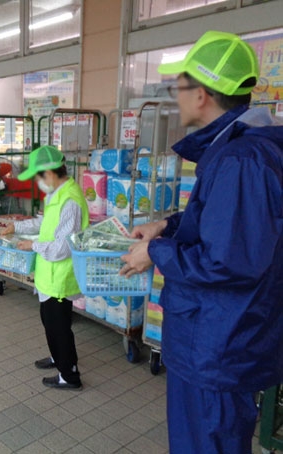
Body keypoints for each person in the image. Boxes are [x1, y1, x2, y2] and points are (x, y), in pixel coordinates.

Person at [120, 31, 283, 454]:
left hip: (218, 348)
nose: (176, 96)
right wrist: (168, 227)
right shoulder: (236, 152)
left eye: (181, 85)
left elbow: (227, 262)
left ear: (202, 94)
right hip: (219, 340)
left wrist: (153, 252)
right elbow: (227, 228)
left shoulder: (240, 161)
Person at [2, 145, 89, 389]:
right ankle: (57, 357)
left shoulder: (70, 200)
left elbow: (62, 247)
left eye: (38, 176)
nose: (38, 182)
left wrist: (33, 245)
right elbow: (44, 222)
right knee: (49, 322)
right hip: (48, 274)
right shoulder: (56, 193)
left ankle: (69, 375)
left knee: (59, 327)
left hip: (60, 276)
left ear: (50, 173)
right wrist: (17, 227)